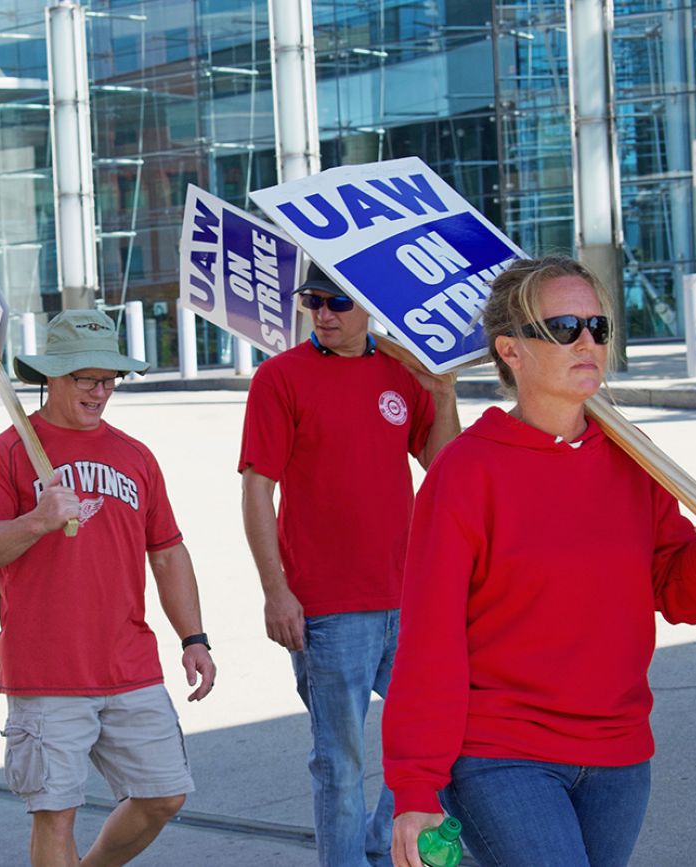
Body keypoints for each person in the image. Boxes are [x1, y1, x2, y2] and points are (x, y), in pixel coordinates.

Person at [382, 256, 696, 867]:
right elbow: (430, 638)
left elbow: (679, 596)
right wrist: (414, 784)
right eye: (562, 327)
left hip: (619, 754)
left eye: (599, 327)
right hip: (501, 752)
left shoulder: (636, 458)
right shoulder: (467, 471)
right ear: (511, 350)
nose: (588, 342)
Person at [0, 309, 216, 867]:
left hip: (129, 663)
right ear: (51, 376)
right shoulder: (6, 454)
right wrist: (35, 521)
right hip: (47, 670)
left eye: (109, 379)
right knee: (56, 812)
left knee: (164, 794)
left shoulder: (135, 456)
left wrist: (194, 637)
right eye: (85, 378)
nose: (100, 391)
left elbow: (168, 551)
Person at [238, 262, 461, 867]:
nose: (324, 313)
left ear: (367, 306)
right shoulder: (280, 377)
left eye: (337, 302)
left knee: (439, 737)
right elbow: (259, 488)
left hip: (410, 597)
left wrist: (442, 395)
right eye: (313, 301)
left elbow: (442, 473)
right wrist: (275, 591)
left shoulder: (400, 374)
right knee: (340, 760)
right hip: (328, 607)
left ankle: (378, 845)